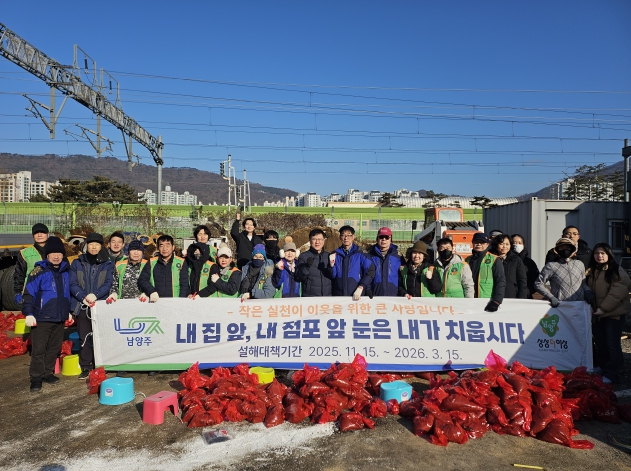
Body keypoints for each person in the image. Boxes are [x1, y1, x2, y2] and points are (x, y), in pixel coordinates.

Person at [22, 236, 71, 392]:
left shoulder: (66, 272)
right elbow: (29, 294)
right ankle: (36, 377)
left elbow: (69, 293)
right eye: (53, 253)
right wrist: (29, 313)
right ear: (47, 255)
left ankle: (48, 373)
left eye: (59, 253)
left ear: (63, 255)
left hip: (60, 317)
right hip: (42, 317)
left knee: (54, 348)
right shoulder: (38, 272)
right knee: (39, 349)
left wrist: (69, 311)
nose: (56, 256)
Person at [69, 233, 114, 379]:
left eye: (97, 244)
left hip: (100, 305)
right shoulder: (77, 263)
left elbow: (108, 283)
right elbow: (73, 283)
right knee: (84, 336)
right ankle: (86, 366)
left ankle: (102, 364)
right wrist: (83, 297)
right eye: (91, 244)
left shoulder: (108, 264)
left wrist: (96, 295)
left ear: (101, 246)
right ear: (86, 246)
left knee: (102, 336)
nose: (94, 247)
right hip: (82, 305)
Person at [585, 243, 631, 383]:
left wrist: (603, 308)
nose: (599, 256)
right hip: (597, 314)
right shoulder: (593, 270)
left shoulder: (616, 270)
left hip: (613, 314)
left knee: (612, 344)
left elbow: (618, 292)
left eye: (603, 253)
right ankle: (603, 367)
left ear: (609, 255)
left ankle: (612, 374)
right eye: (597, 253)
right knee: (601, 343)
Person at [535, 237, 594, 307]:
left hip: (579, 305)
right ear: (557, 250)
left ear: (572, 249)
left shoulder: (579, 264)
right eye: (561, 248)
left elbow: (583, 283)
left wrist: (587, 291)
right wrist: (551, 297)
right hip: (560, 306)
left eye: (567, 247)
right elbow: (538, 284)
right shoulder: (551, 266)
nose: (565, 250)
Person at [138, 235, 189, 301]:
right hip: (156, 301)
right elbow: (142, 280)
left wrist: (180, 300)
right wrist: (151, 291)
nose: (164, 248)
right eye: (161, 245)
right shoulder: (151, 262)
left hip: (175, 301)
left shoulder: (181, 262)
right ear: (158, 248)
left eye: (167, 245)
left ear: (173, 247)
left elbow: (184, 285)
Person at [329, 226, 374, 300]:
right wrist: (331, 266)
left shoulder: (361, 253)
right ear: (340, 237)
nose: (346, 238)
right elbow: (333, 276)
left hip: (356, 295)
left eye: (348, 235)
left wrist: (361, 287)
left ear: (353, 237)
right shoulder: (335, 254)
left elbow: (370, 272)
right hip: (339, 295)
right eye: (343, 235)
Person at [466, 232, 506, 312]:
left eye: (482, 242)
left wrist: (496, 301)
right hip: (470, 300)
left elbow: (500, 281)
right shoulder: (467, 260)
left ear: (487, 244)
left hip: (487, 300)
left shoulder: (494, 259)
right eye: (476, 242)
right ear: (472, 244)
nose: (479, 244)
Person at [13, 223, 50, 306]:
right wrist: (18, 291)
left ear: (48, 234)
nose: (39, 235)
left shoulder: (56, 251)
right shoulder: (24, 253)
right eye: (36, 233)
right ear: (33, 236)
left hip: (52, 291)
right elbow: (19, 274)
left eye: (42, 232)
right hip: (31, 292)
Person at [296, 228, 333, 297]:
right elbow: (299, 277)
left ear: (324, 241)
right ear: (310, 240)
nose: (317, 242)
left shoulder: (329, 256)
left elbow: (334, 276)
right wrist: (306, 267)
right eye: (314, 239)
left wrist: (331, 267)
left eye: (320, 239)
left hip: (327, 296)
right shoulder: (303, 256)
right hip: (310, 297)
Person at [367, 227, 404, 296]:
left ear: (391, 239)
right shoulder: (370, 256)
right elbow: (365, 274)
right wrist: (368, 290)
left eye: (387, 237)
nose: (384, 239)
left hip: (393, 295)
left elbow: (402, 277)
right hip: (374, 295)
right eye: (381, 237)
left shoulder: (398, 257)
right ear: (377, 239)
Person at [490, 234, 528, 299]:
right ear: (496, 245)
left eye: (507, 244)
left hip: (511, 296)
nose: (504, 246)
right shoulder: (489, 258)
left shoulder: (516, 260)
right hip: (491, 295)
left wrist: (522, 298)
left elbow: (522, 281)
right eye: (501, 244)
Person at [511, 233, 540, 298]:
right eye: (514, 243)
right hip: (509, 295)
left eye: (520, 243)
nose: (517, 245)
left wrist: (528, 291)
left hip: (526, 296)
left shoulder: (529, 262)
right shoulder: (506, 260)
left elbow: (536, 279)